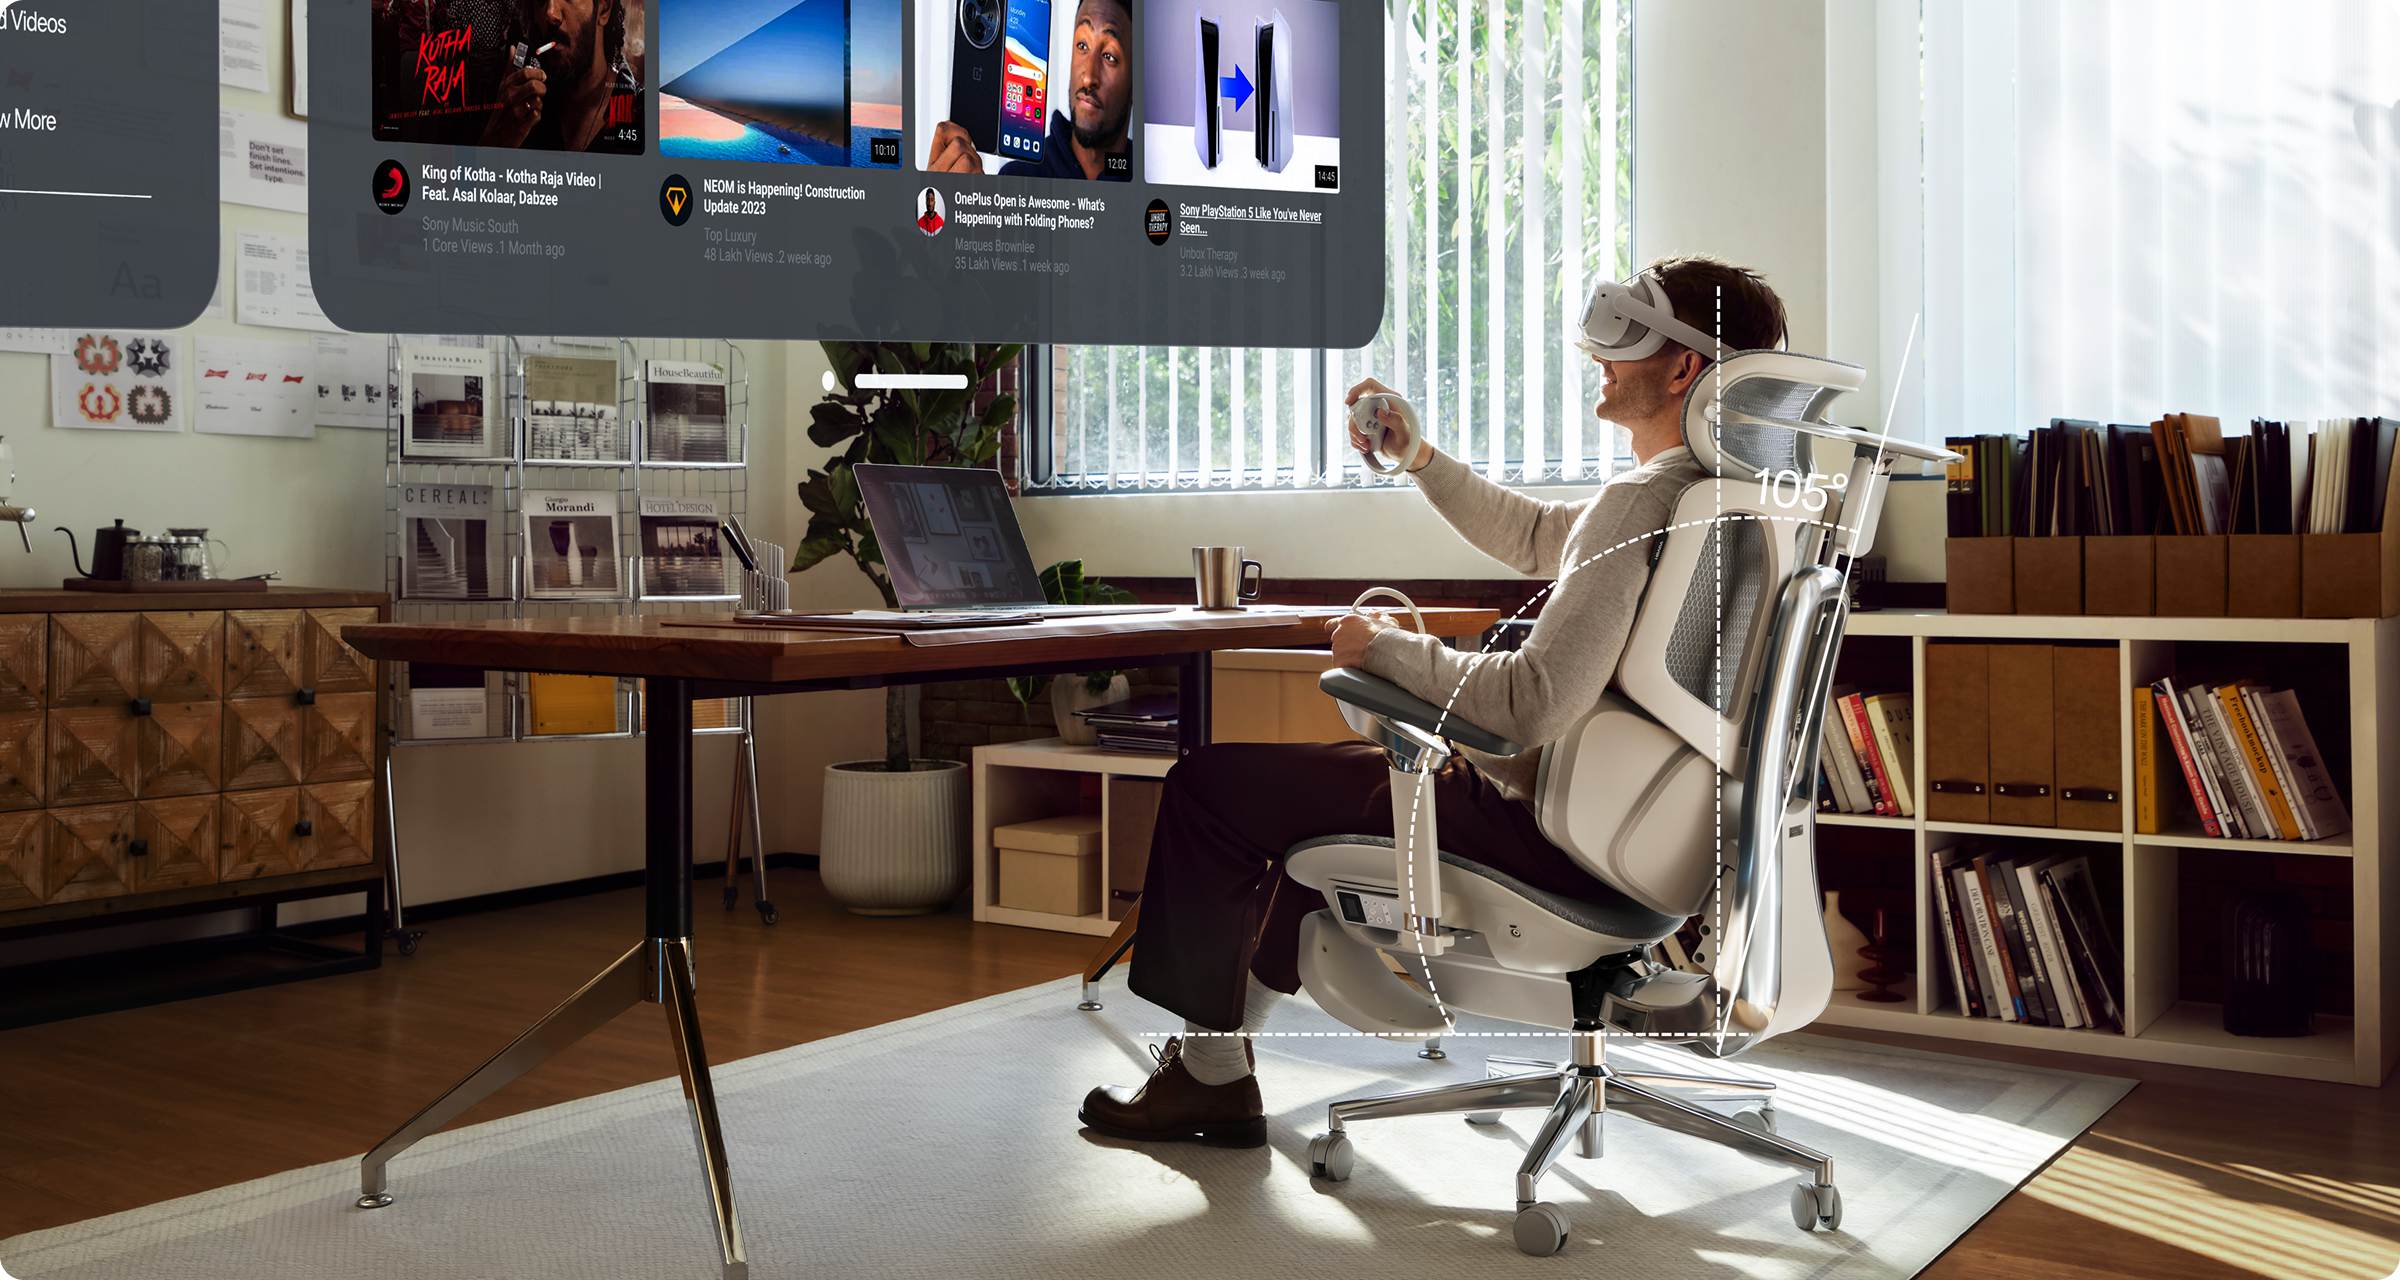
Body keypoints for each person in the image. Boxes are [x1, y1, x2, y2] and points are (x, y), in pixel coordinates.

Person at [1078, 256, 1791, 1147]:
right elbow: (1537, 536)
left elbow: (1529, 702)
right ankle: (1213, 1073)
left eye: (1625, 340)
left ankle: (1208, 1081)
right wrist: (1416, 456)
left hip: (1545, 838)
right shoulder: (1731, 505)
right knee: (1308, 807)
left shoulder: (1648, 502)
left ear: (1684, 367)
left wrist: (1382, 650)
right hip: (1649, 849)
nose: (1601, 359)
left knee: (1208, 788)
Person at [926, 0, 1131, 181]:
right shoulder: (1014, 179)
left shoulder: (1152, 178)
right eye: (1082, 45)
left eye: (1109, 56)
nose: (1088, 78)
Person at [480, 0, 640, 152]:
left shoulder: (645, 117)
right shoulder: (518, 109)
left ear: (603, 10)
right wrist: (495, 146)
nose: (550, 13)